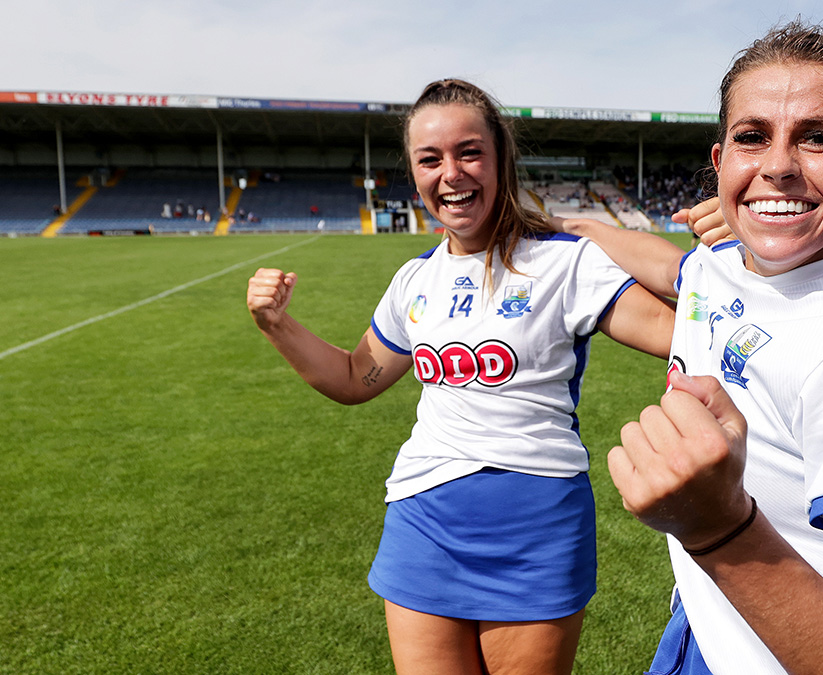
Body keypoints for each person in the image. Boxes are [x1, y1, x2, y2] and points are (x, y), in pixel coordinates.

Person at [556, 20, 823, 675]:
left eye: (818, 138)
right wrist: (576, 227)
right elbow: (670, 268)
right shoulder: (722, 264)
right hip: (702, 626)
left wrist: (719, 526)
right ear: (719, 160)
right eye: (752, 137)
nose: (780, 164)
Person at [246, 78, 674, 675]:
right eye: (431, 159)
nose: (451, 174)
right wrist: (276, 324)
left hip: (535, 524)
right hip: (422, 518)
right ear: (416, 172)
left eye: (469, 152)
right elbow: (353, 376)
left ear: (501, 159)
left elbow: (686, 335)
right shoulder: (413, 280)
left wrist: (654, 247)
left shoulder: (562, 262)